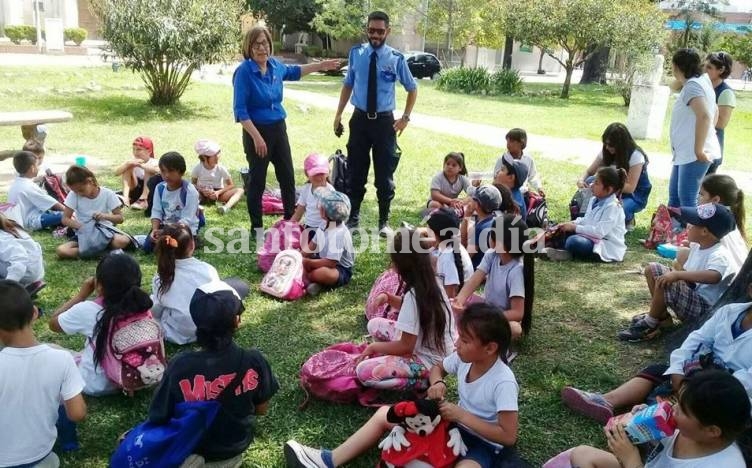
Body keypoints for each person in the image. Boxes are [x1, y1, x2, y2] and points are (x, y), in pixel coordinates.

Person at [284, 303, 520, 468]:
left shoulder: (503, 381)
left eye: (465, 341)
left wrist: (462, 416)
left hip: (485, 444)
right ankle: (328, 460)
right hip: (452, 425)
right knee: (383, 415)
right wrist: (437, 381)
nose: (457, 345)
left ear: (490, 348)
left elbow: (508, 436)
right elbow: (438, 367)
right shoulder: (463, 358)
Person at [562, 282, 752, 425]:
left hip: (730, 392)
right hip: (702, 371)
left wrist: (698, 387)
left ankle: (651, 420)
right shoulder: (729, 312)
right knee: (659, 371)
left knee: (708, 408)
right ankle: (606, 401)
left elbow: (746, 381)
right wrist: (679, 371)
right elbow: (696, 340)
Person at [148, 280, 278, 468]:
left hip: (188, 448)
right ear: (237, 320)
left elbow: (159, 415)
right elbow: (261, 409)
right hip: (232, 451)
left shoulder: (180, 366)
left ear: (196, 320)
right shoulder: (254, 360)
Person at [233, 25, 340, 233]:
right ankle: (257, 227)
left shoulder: (274, 66)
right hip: (256, 132)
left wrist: (321, 65)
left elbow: (295, 72)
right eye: (256, 44)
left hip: (278, 129)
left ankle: (290, 223)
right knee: (257, 180)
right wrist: (257, 138)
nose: (261, 48)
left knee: (287, 177)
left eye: (264, 43)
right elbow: (240, 111)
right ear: (249, 47)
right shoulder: (244, 72)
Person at [334, 11, 418, 235]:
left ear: (387, 31)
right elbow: (348, 85)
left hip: (384, 123)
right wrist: (338, 114)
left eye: (380, 31)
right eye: (372, 30)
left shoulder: (396, 58)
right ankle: (353, 220)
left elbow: (412, 88)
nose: (375, 35)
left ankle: (383, 222)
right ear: (367, 30)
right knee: (355, 171)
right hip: (360, 120)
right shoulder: (356, 54)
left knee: (384, 174)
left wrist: (405, 118)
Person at [563, 370, 749, 468]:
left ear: (712, 430)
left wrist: (631, 460)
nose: (674, 409)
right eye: (677, 402)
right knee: (583, 454)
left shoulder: (725, 465)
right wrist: (640, 423)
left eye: (683, 410)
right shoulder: (685, 429)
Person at [618, 203, 738, 342]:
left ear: (704, 232)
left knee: (669, 280)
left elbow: (714, 276)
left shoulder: (719, 254)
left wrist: (678, 275)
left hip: (704, 310)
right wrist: (678, 273)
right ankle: (662, 318)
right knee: (652, 269)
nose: (687, 225)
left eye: (692, 224)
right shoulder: (697, 247)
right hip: (692, 299)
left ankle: (650, 324)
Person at [0, 280, 87, 468]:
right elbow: (77, 414)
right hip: (39, 455)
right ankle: (68, 445)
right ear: (34, 313)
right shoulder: (62, 360)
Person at [356, 228, 456, 391]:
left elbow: (406, 347)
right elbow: (415, 311)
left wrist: (374, 348)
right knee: (374, 324)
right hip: (432, 348)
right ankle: (397, 363)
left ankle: (423, 382)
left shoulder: (415, 294)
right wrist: (388, 297)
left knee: (365, 372)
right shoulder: (429, 281)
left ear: (401, 264)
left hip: (430, 360)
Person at [48, 253, 154, 396]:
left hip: (95, 383)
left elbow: (53, 324)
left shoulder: (89, 310)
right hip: (137, 375)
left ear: (99, 285)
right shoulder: (143, 306)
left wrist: (81, 296)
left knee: (48, 348)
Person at [454, 214, 532, 340]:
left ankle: (482, 334)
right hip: (487, 308)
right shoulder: (492, 255)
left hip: (501, 317)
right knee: (462, 303)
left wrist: (488, 316)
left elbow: (517, 313)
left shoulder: (516, 270)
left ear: (498, 242)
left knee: (514, 329)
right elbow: (475, 279)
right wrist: (460, 300)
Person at [668, 48, 721, 209]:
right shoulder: (702, 81)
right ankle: (671, 232)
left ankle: (688, 233)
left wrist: (699, 150)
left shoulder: (693, 86)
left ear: (677, 66)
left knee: (687, 200)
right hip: (685, 153)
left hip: (694, 154)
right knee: (675, 198)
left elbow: (704, 116)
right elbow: (715, 110)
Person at [151, 224, 220, 345]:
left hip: (178, 333)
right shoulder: (208, 269)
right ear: (192, 245)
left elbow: (156, 311)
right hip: (209, 327)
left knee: (151, 303)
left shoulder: (161, 277)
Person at [577, 123, 652, 230]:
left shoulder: (636, 156)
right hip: (610, 191)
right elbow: (589, 171)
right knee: (590, 180)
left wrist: (608, 184)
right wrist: (581, 180)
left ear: (620, 144)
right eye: (605, 144)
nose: (607, 148)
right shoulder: (606, 152)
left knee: (618, 210)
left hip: (633, 195)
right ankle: (585, 213)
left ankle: (628, 217)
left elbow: (630, 188)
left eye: (610, 145)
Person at [545, 167, 627, 262]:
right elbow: (586, 220)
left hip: (604, 244)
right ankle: (560, 250)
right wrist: (571, 223)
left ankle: (565, 252)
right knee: (560, 229)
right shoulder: (594, 200)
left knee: (574, 242)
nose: (591, 185)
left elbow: (599, 233)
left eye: (596, 183)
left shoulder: (613, 207)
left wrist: (574, 228)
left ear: (608, 190)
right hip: (590, 237)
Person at [674, 174, 747, 271]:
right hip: (736, 274)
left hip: (725, 277)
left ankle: (689, 283)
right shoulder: (727, 219)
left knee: (681, 255)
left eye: (701, 194)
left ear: (716, 200)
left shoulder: (715, 220)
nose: (698, 198)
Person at [56, 165, 132, 260]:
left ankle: (92, 252)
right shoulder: (74, 195)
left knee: (123, 240)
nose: (79, 194)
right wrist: (80, 226)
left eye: (81, 190)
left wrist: (104, 216)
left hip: (104, 232)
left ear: (90, 181)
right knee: (62, 250)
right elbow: (65, 219)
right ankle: (103, 253)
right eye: (76, 192)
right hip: (85, 234)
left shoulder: (107, 194)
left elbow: (120, 218)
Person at [143, 151, 201, 253]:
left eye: (171, 171)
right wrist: (154, 230)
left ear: (181, 172)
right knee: (148, 246)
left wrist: (166, 232)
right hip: (166, 225)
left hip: (184, 227)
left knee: (173, 248)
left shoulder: (189, 191)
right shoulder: (160, 188)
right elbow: (156, 211)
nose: (166, 175)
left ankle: (193, 240)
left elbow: (187, 219)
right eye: (163, 171)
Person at [302, 188, 355, 296]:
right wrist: (300, 256)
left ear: (326, 214)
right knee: (301, 262)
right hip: (322, 260)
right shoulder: (323, 224)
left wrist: (308, 263)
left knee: (323, 274)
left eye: (321, 206)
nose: (318, 207)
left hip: (340, 269)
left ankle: (309, 278)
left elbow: (331, 263)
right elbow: (312, 246)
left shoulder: (339, 234)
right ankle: (316, 283)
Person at [8, 150, 65, 231]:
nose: (39, 168)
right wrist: (69, 212)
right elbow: (54, 204)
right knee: (64, 215)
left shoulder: (17, 182)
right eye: (38, 165)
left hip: (20, 219)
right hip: (30, 221)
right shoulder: (28, 186)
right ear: (32, 168)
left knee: (56, 214)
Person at [427, 208, 473, 298]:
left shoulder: (447, 258)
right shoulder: (450, 243)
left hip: (454, 299)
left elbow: (450, 295)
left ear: (435, 233)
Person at [190, 139, 245, 215]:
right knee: (191, 191)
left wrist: (218, 192)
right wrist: (202, 190)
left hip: (218, 193)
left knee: (240, 190)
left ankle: (226, 207)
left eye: (218, 154)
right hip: (202, 193)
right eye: (214, 156)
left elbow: (231, 185)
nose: (217, 157)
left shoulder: (220, 168)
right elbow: (193, 184)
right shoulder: (197, 168)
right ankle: (196, 206)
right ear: (205, 157)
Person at [705, 52, 736, 174]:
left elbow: (721, 123)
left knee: (704, 190)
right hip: (695, 145)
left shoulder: (725, 92)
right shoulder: (702, 86)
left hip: (710, 148)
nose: (704, 70)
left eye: (709, 67)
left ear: (721, 70)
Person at [291, 153, 335, 238]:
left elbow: (333, 220)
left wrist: (330, 237)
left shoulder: (331, 192)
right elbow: (298, 214)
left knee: (309, 251)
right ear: (307, 174)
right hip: (308, 229)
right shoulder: (306, 189)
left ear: (328, 172)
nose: (318, 177)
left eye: (321, 173)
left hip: (325, 230)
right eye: (315, 174)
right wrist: (287, 228)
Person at [461, 185, 503, 269]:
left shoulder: (481, 228)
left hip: (480, 269)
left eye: (473, 198)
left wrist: (466, 217)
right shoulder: (497, 217)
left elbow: (466, 256)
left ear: (477, 204)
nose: (470, 199)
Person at [494, 128, 544, 196]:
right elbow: (496, 178)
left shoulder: (528, 159)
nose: (508, 144)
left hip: (523, 194)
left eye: (511, 141)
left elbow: (532, 176)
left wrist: (539, 188)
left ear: (521, 142)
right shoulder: (502, 159)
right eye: (507, 141)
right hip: (506, 194)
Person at [0, 212, 44, 288]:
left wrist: (7, 288)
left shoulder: (2, 238)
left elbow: (20, 259)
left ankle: (18, 288)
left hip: (24, 273)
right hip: (33, 271)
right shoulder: (8, 225)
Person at [114, 136, 159, 209]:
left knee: (149, 169)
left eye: (139, 150)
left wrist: (142, 166)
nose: (135, 152)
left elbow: (159, 171)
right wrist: (128, 164)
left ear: (149, 151)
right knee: (128, 168)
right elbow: (116, 173)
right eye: (133, 149)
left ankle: (143, 200)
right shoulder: (133, 161)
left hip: (149, 191)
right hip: (135, 189)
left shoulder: (154, 162)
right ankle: (126, 198)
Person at [494, 154, 529, 222]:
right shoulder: (507, 193)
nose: (497, 172)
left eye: (502, 169)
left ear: (511, 178)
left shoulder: (511, 203)